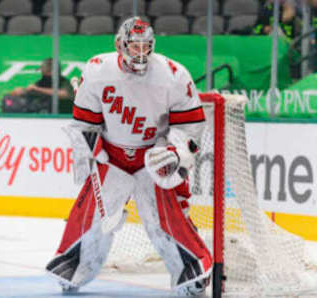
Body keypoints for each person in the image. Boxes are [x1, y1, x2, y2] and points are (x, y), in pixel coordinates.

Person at [45, 17, 212, 296]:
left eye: (146, 46)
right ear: (119, 44)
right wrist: (89, 150)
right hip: (112, 156)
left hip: (154, 156)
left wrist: (175, 151)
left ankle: (191, 270)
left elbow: (191, 125)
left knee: (162, 220)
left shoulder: (173, 74)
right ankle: (75, 266)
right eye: (134, 46)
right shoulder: (98, 69)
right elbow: (85, 122)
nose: (140, 52)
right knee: (93, 215)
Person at [2, 58, 74, 113]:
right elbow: (31, 90)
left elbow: (64, 94)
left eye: (46, 71)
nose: (43, 73)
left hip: (62, 115)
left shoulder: (64, 82)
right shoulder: (42, 82)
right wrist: (21, 91)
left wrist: (37, 89)